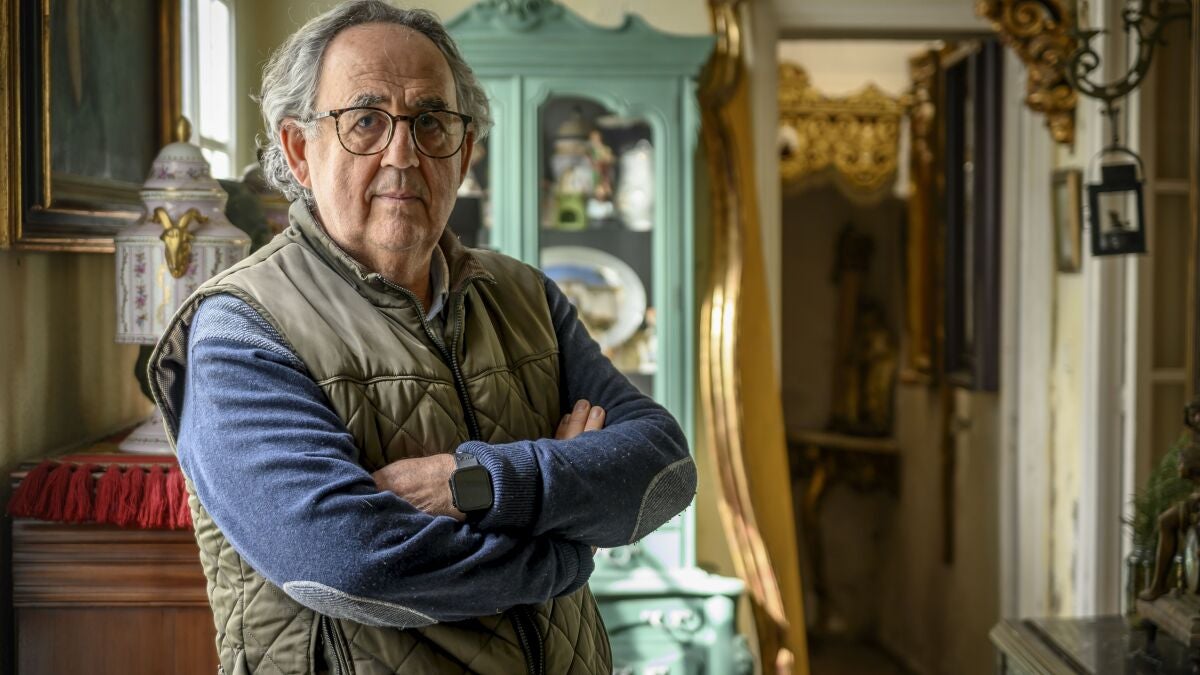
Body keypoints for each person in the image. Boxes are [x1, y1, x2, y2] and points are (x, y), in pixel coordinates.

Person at [147, 2, 697, 674]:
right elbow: (349, 562)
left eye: (431, 122)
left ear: (464, 153)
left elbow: (663, 469)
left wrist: (480, 483)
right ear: (299, 149)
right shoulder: (242, 326)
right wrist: (566, 546)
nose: (403, 154)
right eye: (366, 121)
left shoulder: (525, 295)